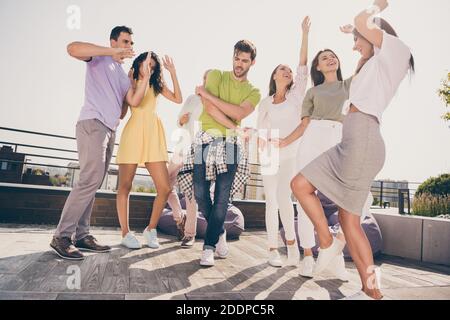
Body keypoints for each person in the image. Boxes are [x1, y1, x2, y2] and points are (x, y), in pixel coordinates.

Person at [291, 0, 414, 299]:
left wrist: (376, 7)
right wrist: (356, 34)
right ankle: (370, 290)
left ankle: (329, 243)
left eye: (358, 41)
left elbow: (363, 19)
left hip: (364, 140)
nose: (355, 47)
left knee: (302, 186)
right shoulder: (372, 66)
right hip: (352, 141)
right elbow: (358, 59)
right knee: (346, 218)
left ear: (375, 34)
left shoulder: (397, 52)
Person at [50, 26, 142, 260]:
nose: (129, 46)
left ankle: (82, 235)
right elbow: (72, 49)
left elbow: (124, 110)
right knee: (90, 179)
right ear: (113, 42)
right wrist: (110, 53)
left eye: (131, 43)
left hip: (110, 129)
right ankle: (62, 236)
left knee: (94, 182)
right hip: (92, 122)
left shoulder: (122, 75)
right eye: (124, 41)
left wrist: (135, 82)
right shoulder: (99, 56)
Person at [178, 40, 261, 266]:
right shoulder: (215, 75)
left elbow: (238, 111)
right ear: (233, 56)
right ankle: (219, 231)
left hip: (232, 144)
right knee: (200, 193)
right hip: (206, 139)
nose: (239, 64)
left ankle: (209, 247)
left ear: (252, 62)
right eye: (237, 58)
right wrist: (233, 122)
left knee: (223, 198)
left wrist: (208, 95)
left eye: (245, 60)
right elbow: (212, 111)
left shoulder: (254, 91)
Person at [256, 17, 310, 267]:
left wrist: (304, 34)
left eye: (289, 71)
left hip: (290, 155)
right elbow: (259, 130)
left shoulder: (296, 96)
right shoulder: (265, 102)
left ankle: (291, 245)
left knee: (285, 200)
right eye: (282, 70)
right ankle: (271, 249)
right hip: (269, 158)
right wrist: (261, 144)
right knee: (271, 202)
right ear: (274, 75)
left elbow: (302, 66)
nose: (287, 72)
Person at [116, 52, 183, 249]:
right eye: (147, 64)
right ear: (138, 63)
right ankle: (126, 233)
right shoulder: (130, 80)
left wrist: (173, 72)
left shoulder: (156, 84)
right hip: (133, 134)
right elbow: (127, 107)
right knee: (125, 186)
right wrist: (136, 80)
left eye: (153, 66)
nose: (149, 69)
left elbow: (178, 99)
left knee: (164, 188)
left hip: (153, 135)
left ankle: (150, 229)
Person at [165, 70, 210, 248]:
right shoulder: (193, 98)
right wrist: (181, 120)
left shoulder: (215, 103)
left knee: (191, 193)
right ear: (203, 80)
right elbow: (180, 120)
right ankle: (179, 216)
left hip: (199, 152)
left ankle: (189, 234)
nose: (208, 81)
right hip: (182, 146)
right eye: (206, 78)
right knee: (164, 182)